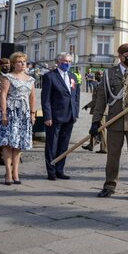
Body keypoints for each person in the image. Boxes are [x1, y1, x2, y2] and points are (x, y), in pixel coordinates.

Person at [90, 43, 128, 202]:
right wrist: (96, 121)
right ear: (120, 56)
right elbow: (101, 99)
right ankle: (109, 186)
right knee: (112, 157)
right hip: (114, 121)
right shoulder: (109, 73)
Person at [0, 52, 36, 185]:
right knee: (8, 143)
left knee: (18, 144)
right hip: (11, 112)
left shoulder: (30, 79)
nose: (22, 64)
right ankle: (7, 172)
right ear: (13, 64)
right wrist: (4, 113)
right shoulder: (8, 77)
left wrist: (33, 113)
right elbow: (3, 95)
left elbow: (32, 97)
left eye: (24, 61)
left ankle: (16, 172)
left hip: (23, 113)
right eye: (19, 62)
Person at [41, 52, 80, 181]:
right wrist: (47, 116)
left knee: (64, 145)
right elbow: (45, 99)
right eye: (65, 61)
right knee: (52, 145)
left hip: (70, 116)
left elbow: (76, 96)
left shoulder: (73, 76)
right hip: (55, 116)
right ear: (58, 62)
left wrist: (76, 113)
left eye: (69, 61)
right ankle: (51, 171)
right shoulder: (50, 76)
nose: (67, 64)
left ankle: (60, 169)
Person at [82, 71, 107, 153]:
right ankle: (91, 145)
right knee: (94, 127)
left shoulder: (102, 85)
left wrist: (88, 105)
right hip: (97, 109)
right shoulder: (98, 84)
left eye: (99, 75)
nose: (97, 76)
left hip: (101, 110)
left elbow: (97, 100)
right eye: (96, 75)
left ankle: (104, 147)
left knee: (101, 129)